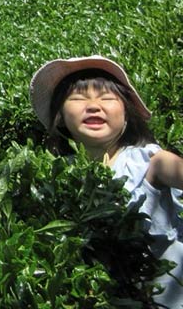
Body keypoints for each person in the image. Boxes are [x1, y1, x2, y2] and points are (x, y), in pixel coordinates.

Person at [29, 55, 183, 307]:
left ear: (126, 114)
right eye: (78, 98)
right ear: (60, 118)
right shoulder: (57, 178)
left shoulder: (148, 161)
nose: (93, 106)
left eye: (107, 98)